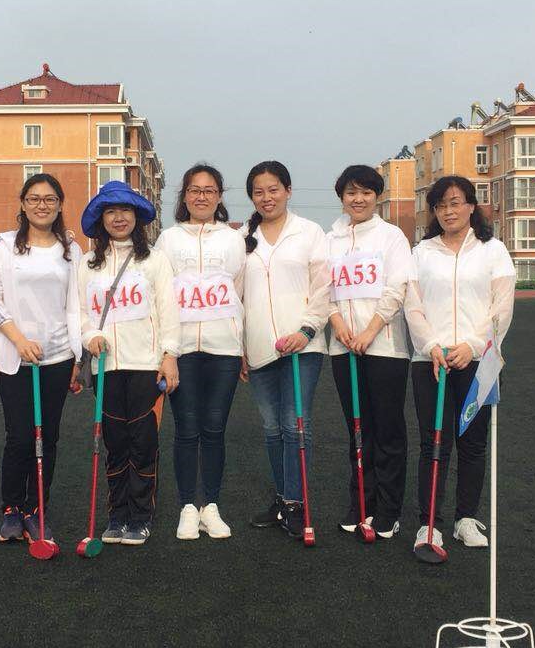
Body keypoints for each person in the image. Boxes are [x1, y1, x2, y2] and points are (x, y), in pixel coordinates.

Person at [403, 175, 515, 555]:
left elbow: (501, 307)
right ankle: (429, 524)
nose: (448, 211)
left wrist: (473, 345)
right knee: (433, 443)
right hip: (430, 361)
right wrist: (431, 345)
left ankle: (466, 518)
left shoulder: (493, 250)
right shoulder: (421, 252)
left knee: (473, 443)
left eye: (455, 203)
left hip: (478, 361)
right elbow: (413, 306)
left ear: (470, 206)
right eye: (440, 205)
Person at [0, 173, 82, 548]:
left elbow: (76, 305)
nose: (42, 205)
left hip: (58, 356)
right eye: (34, 198)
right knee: (20, 437)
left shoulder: (71, 249)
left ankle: (37, 509)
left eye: (50, 199)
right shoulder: (3, 244)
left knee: (48, 437)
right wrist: (19, 340)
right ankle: (11, 509)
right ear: (23, 204)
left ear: (60, 205)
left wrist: (77, 356)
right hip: (15, 356)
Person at [78, 179, 180, 547]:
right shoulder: (87, 264)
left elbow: (168, 311)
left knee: (143, 442)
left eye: (125, 210)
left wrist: (169, 355)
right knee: (115, 443)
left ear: (136, 216)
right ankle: (117, 515)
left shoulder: (154, 259)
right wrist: (91, 336)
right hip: (105, 368)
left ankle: (140, 516)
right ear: (100, 218)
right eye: (110, 211)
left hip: (145, 365)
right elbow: (79, 313)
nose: (118, 218)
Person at [240, 160, 331, 540]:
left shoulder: (309, 232)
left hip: (303, 347)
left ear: (288, 191)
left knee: (296, 424)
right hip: (259, 346)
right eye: (258, 192)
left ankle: (296, 503)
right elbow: (236, 297)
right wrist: (241, 347)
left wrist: (306, 330)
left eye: (274, 189)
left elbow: (324, 288)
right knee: (271, 427)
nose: (267, 197)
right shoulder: (243, 237)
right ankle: (282, 498)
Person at [326, 164, 416, 540]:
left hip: (385, 348)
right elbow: (322, 289)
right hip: (343, 347)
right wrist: (339, 325)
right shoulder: (329, 240)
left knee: (387, 430)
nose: (358, 199)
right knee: (358, 430)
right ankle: (360, 503)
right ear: (342, 197)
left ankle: (388, 510)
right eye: (351, 192)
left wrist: (369, 331)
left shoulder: (391, 237)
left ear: (377, 196)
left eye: (366, 192)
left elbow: (397, 288)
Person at [157, 164, 244, 541]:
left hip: (224, 350)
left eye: (209, 190)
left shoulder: (233, 239)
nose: (202, 197)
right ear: (185, 196)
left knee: (214, 428)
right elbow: (161, 297)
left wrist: (241, 345)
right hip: (181, 351)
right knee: (186, 429)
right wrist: (167, 351)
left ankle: (211, 505)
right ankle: (187, 508)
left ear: (219, 197)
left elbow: (240, 290)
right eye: (195, 190)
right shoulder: (168, 239)